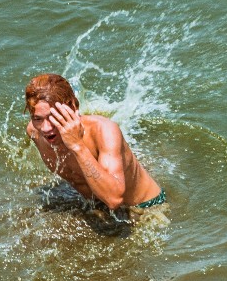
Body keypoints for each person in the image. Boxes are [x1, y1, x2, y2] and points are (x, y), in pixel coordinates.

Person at [25, 73, 164, 218]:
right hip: (97, 207)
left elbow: (114, 199)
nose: (46, 128)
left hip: (144, 209)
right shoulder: (34, 132)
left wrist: (77, 145)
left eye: (53, 117)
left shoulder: (104, 130)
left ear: (72, 106)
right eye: (37, 118)